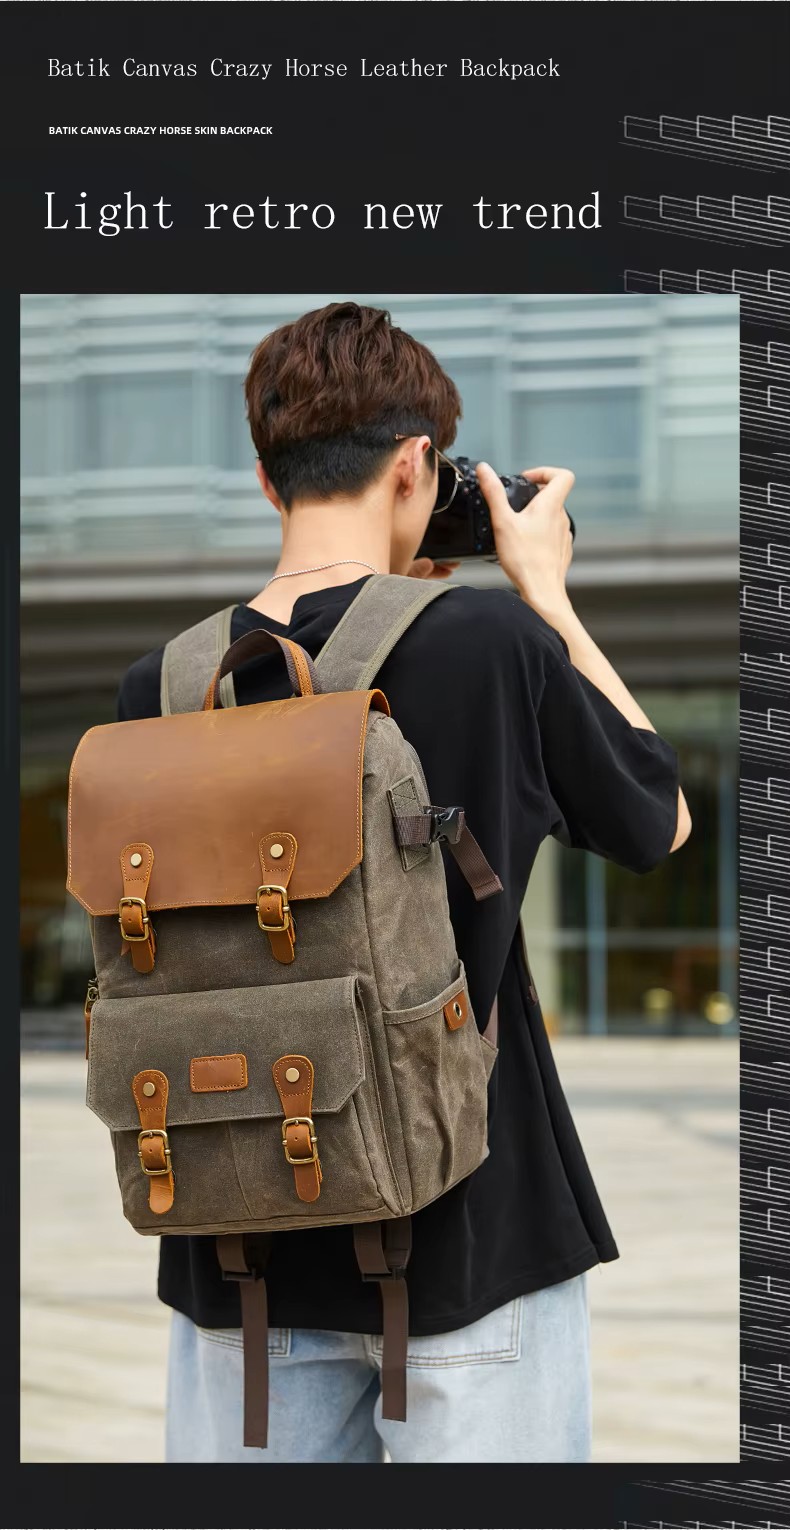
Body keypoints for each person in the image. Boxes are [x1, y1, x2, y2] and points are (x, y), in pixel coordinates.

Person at [117, 301, 691, 1464]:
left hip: (236, 1251)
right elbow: (657, 819)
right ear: (417, 465)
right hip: (469, 1238)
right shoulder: (488, 646)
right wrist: (545, 594)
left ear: (269, 481)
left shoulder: (163, 686)